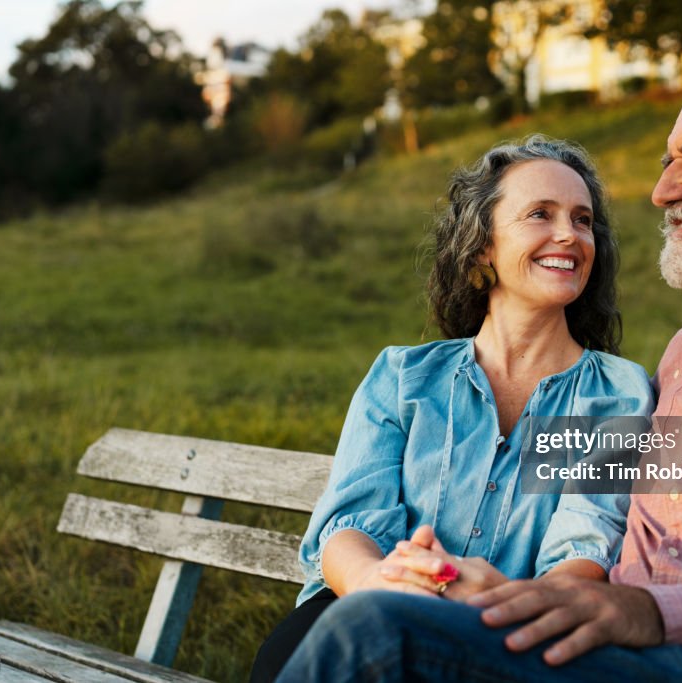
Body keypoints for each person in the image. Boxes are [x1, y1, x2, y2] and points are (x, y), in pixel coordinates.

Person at [274, 59, 682, 683]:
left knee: (378, 635)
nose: (662, 189)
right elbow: (588, 477)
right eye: (667, 161)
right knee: (357, 627)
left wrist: (649, 610)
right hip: (610, 649)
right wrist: (490, 587)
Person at [249, 135, 654, 682]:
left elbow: (585, 547)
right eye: (541, 213)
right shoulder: (403, 378)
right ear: (483, 245)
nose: (569, 235)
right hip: (365, 608)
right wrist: (378, 586)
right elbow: (348, 524)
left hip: (508, 632)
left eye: (583, 221)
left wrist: (492, 595)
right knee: (311, 648)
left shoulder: (615, 393)